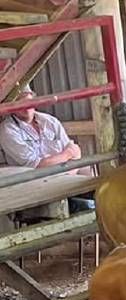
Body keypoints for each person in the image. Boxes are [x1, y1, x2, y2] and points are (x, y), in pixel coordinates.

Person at [0, 87, 83, 224]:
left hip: (66, 174)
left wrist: (70, 171)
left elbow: (75, 151)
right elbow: (37, 165)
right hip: (34, 182)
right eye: (19, 104)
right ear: (11, 107)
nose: (25, 107)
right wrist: (67, 154)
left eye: (28, 102)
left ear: (35, 100)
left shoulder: (50, 121)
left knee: (92, 179)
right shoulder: (8, 130)